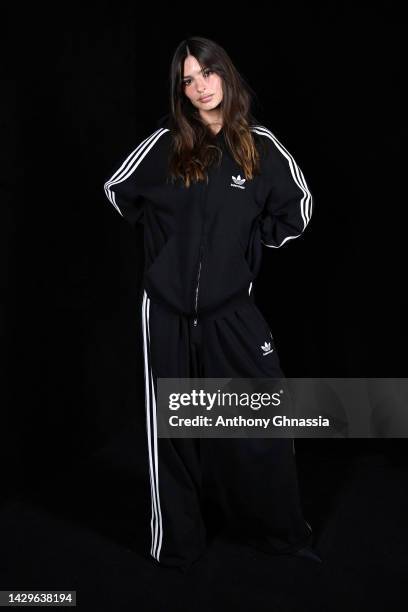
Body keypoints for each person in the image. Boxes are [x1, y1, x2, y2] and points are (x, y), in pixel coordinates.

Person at [103, 36, 320, 570]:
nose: (200, 88)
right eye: (188, 80)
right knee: (173, 435)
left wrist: (244, 252)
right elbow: (118, 190)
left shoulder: (259, 145)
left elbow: (300, 209)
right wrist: (162, 256)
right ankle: (177, 545)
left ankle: (281, 535)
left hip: (231, 311)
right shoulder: (166, 144)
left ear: (226, 74)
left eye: (207, 74)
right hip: (167, 311)